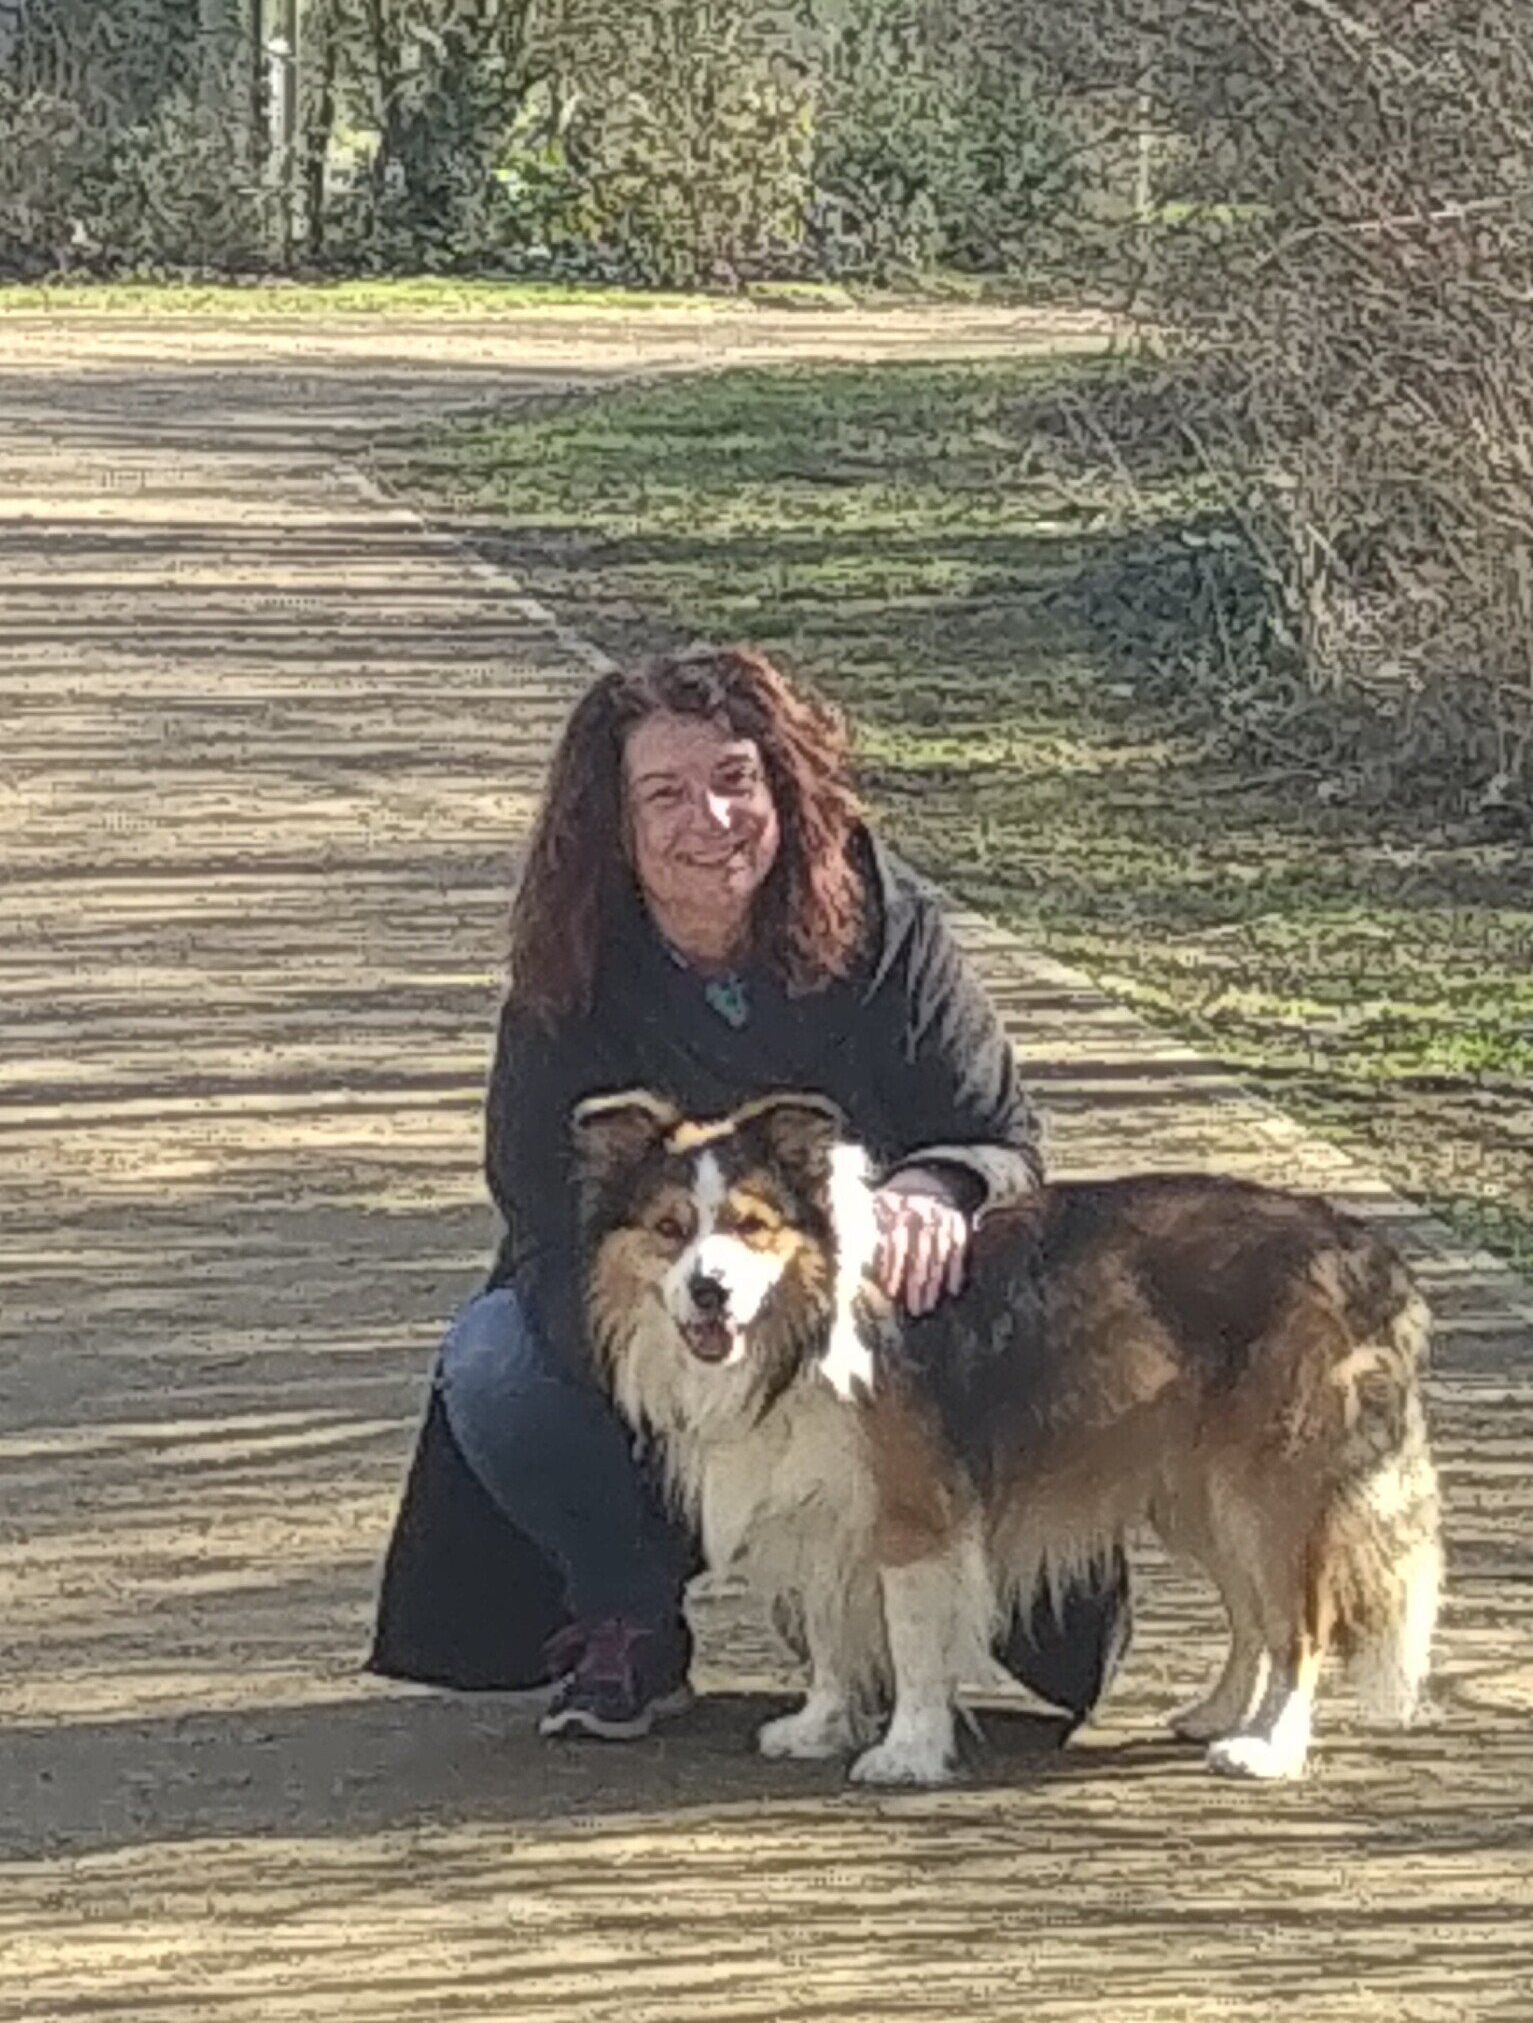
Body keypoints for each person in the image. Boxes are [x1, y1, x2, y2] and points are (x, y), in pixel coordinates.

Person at [367, 643, 1130, 1743]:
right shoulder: (568, 972)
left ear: (784, 790)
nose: (711, 820)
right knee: (492, 1363)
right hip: (652, 1334)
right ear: (614, 824)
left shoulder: (889, 924)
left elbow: (1000, 1134)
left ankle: (864, 1610)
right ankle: (630, 1613)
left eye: (736, 781)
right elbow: (540, 1211)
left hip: (872, 1337)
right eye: (665, 795)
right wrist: (687, 1368)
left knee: (920, 1430)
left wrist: (939, 1185)